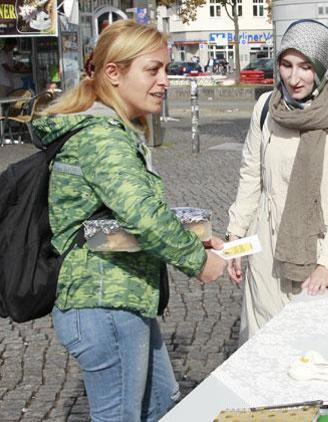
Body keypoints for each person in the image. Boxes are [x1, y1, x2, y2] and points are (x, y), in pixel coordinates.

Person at [37, 20, 227, 421]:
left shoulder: (112, 129)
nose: (165, 81)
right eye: (152, 69)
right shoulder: (102, 136)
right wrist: (197, 261)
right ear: (114, 73)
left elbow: (114, 221)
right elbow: (142, 215)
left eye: (167, 69)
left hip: (124, 299)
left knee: (162, 403)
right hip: (104, 304)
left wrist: (199, 239)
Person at [226, 19, 328, 343]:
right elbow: (251, 175)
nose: (294, 78)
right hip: (267, 253)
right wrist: (236, 239)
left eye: (306, 67)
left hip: (323, 254)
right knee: (265, 347)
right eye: (286, 65)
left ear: (323, 68)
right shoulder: (266, 108)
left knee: (319, 350)